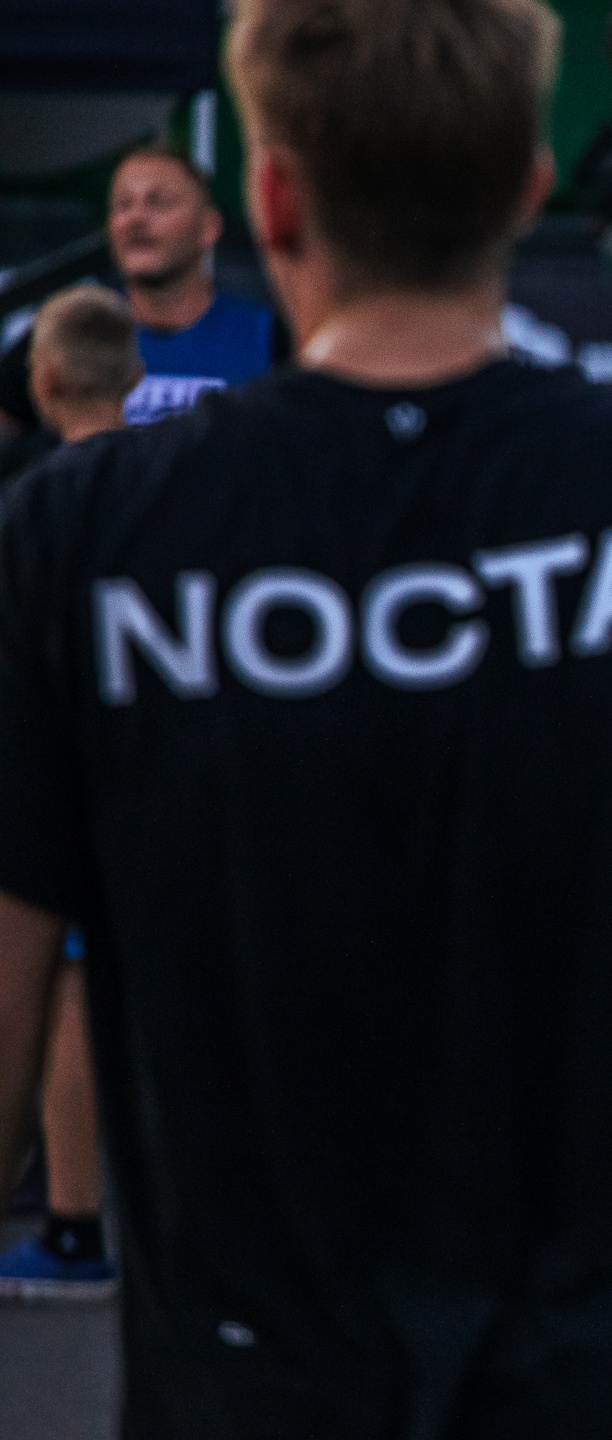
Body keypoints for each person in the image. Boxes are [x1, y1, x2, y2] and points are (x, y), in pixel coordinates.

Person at [0, 1, 612, 1436]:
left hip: (260, 1374)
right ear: (529, 188)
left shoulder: (85, 534)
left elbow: (7, 990)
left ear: (272, 196)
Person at [0, 285, 143, 1303]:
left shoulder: (34, 507)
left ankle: (73, 1224)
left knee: (62, 1007)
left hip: (73, 790)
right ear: (131, 375)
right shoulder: (181, 490)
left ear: (45, 380)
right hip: (171, 790)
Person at [0, 141, 286, 466]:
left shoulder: (268, 338)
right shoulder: (68, 330)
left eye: (158, 202)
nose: (136, 218)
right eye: (123, 205)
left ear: (209, 227)